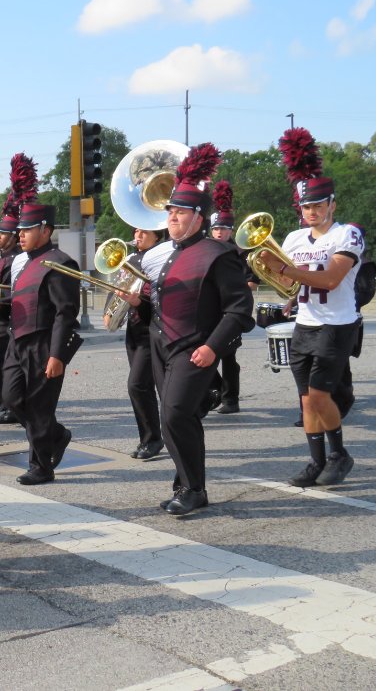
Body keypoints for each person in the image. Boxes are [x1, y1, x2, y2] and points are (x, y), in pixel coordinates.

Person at [119, 143, 254, 515]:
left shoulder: (218, 254)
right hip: (161, 345)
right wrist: (137, 304)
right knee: (179, 418)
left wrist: (213, 347)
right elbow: (159, 305)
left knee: (174, 414)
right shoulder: (169, 255)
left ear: (199, 216)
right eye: (171, 212)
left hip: (194, 347)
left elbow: (240, 310)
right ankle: (187, 485)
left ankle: (193, 488)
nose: (172, 218)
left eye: (179, 212)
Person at [258, 127, 364, 487]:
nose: (312, 211)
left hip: (337, 323)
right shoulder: (292, 238)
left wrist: (286, 269)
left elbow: (332, 278)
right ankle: (315, 461)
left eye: (319, 204)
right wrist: (277, 276)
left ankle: (339, 454)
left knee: (320, 396)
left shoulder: (346, 233)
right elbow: (290, 282)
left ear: (332, 204)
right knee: (306, 402)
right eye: (306, 206)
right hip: (306, 323)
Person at [1, 162, 83, 486]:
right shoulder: (25, 264)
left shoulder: (60, 263)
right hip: (17, 340)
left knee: (38, 406)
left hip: (43, 343)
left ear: (45, 230)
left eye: (27, 229)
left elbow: (65, 312)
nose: (19, 234)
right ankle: (57, 435)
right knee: (11, 398)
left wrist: (57, 354)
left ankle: (41, 466)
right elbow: (27, 298)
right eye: (19, 229)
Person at [0, 154, 35, 426]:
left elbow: (19, 291)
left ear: (14, 236)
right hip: (0, 317)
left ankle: (10, 404)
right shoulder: (2, 258)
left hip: (10, 318)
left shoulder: (17, 259)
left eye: (2, 234)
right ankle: (9, 405)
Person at [104, 227, 165, 459]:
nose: (137, 236)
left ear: (157, 236)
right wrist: (109, 309)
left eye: (143, 232)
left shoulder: (161, 257)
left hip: (153, 328)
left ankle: (153, 439)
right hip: (135, 329)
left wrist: (139, 302)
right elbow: (119, 286)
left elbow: (161, 297)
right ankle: (149, 438)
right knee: (143, 387)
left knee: (137, 385)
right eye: (136, 231)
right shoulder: (131, 259)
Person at [207, 181, 257, 415]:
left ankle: (231, 399)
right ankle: (215, 390)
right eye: (216, 228)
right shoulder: (205, 249)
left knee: (228, 357)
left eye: (224, 228)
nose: (220, 232)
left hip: (230, 310)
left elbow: (251, 282)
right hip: (209, 310)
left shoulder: (240, 253)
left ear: (231, 230)